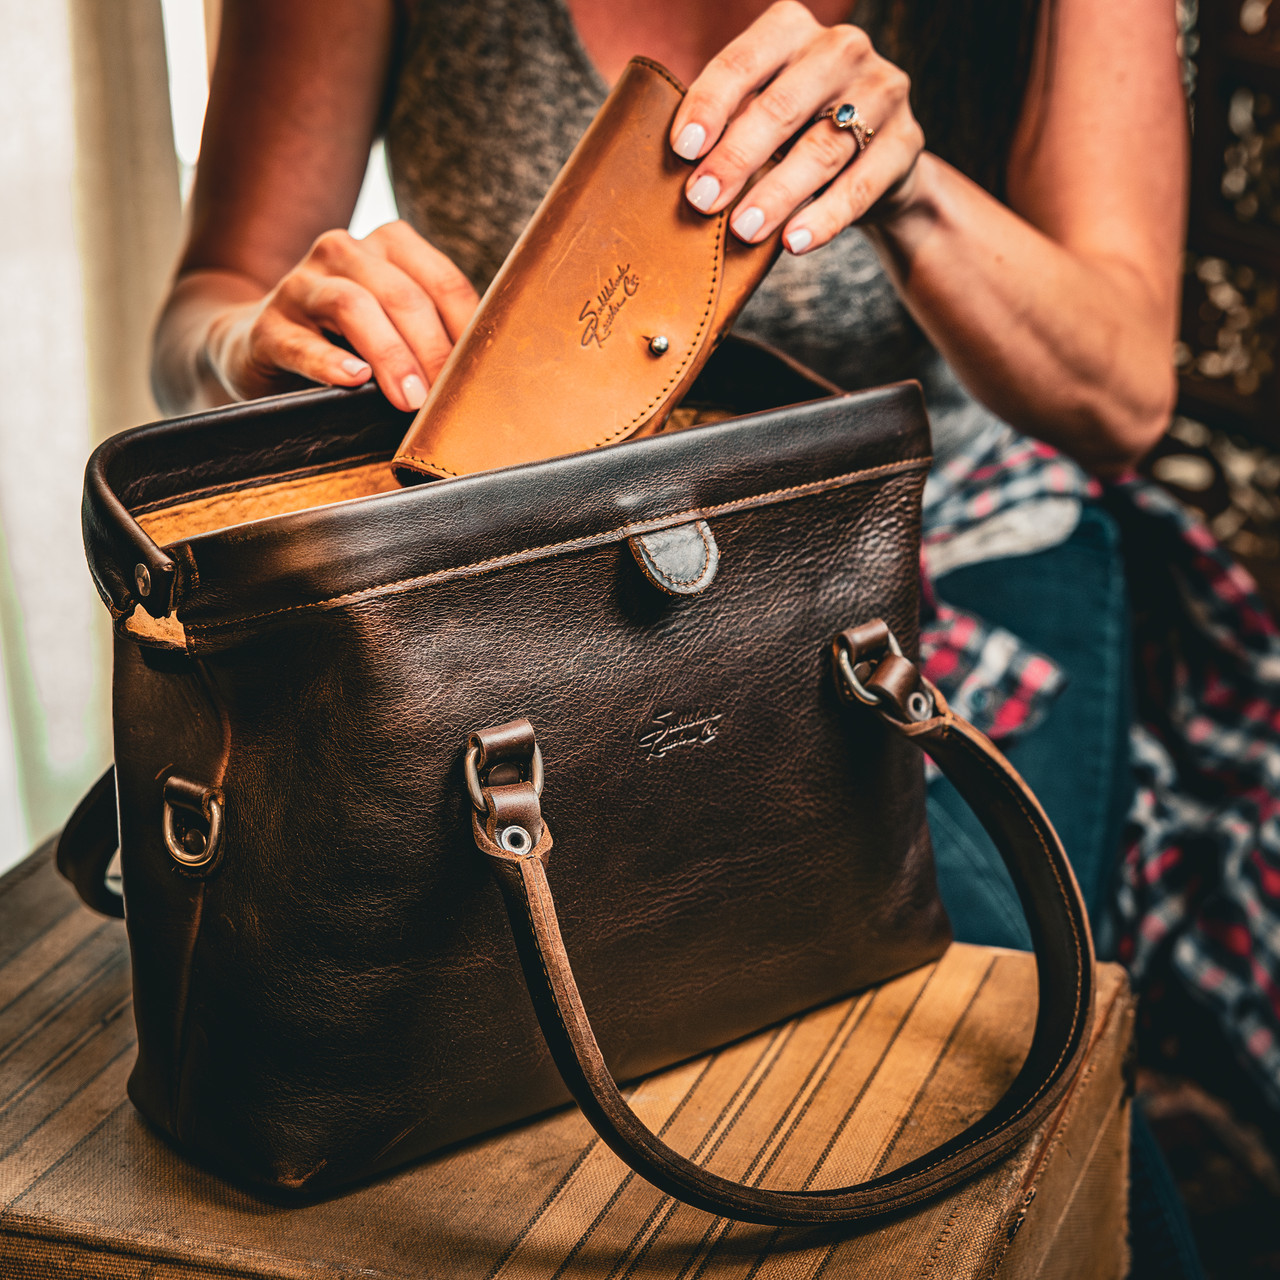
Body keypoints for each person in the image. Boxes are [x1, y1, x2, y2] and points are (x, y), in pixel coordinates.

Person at [151, 2, 1205, 1273]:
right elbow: (200, 315)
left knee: (988, 977)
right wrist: (254, 341)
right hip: (527, 590)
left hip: (925, 562)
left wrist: (908, 188)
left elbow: (1121, 394)